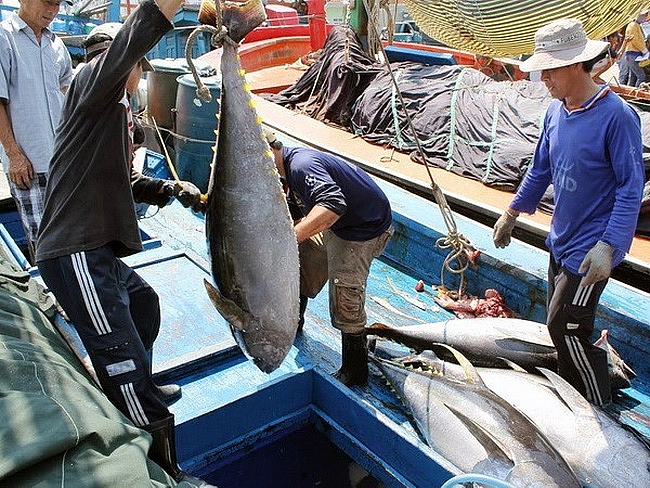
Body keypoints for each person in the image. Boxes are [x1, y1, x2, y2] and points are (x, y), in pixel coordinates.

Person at [35, 2, 213, 486]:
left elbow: (118, 181)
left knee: (144, 305)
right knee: (122, 361)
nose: (138, 78)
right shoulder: (95, 87)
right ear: (122, 66)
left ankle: (139, 386)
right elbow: (133, 38)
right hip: (74, 254)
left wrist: (166, 189)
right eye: (136, 67)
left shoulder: (107, 118)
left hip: (97, 250)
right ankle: (165, 470)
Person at [493, 18, 644, 406]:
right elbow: (540, 168)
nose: (543, 77)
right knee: (560, 323)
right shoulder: (555, 112)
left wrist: (609, 247)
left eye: (551, 68)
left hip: (592, 248)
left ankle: (598, 406)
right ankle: (573, 384)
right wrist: (513, 211)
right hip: (561, 240)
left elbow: (630, 186)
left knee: (566, 329)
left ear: (579, 65)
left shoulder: (617, 116)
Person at [266, 131, 393, 386]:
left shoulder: (301, 166)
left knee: (345, 292)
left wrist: (289, 238)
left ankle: (355, 369)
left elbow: (333, 205)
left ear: (270, 151)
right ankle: (294, 321)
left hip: (363, 229)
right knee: (300, 257)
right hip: (337, 226)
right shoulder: (282, 175)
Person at [0, 0, 73, 261]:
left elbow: (66, 89)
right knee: (44, 243)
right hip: (29, 164)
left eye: (57, 4)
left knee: (72, 237)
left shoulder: (57, 45)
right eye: (47, 2)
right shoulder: (4, 37)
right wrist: (14, 155)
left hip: (62, 161)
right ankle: (52, 297)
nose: (52, 10)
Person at [621, 9, 649, 86]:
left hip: (634, 54)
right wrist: (644, 50)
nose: (645, 17)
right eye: (643, 15)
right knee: (641, 76)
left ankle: (629, 93)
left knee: (633, 77)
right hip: (633, 54)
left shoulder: (636, 25)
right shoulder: (633, 25)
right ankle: (637, 94)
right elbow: (636, 40)